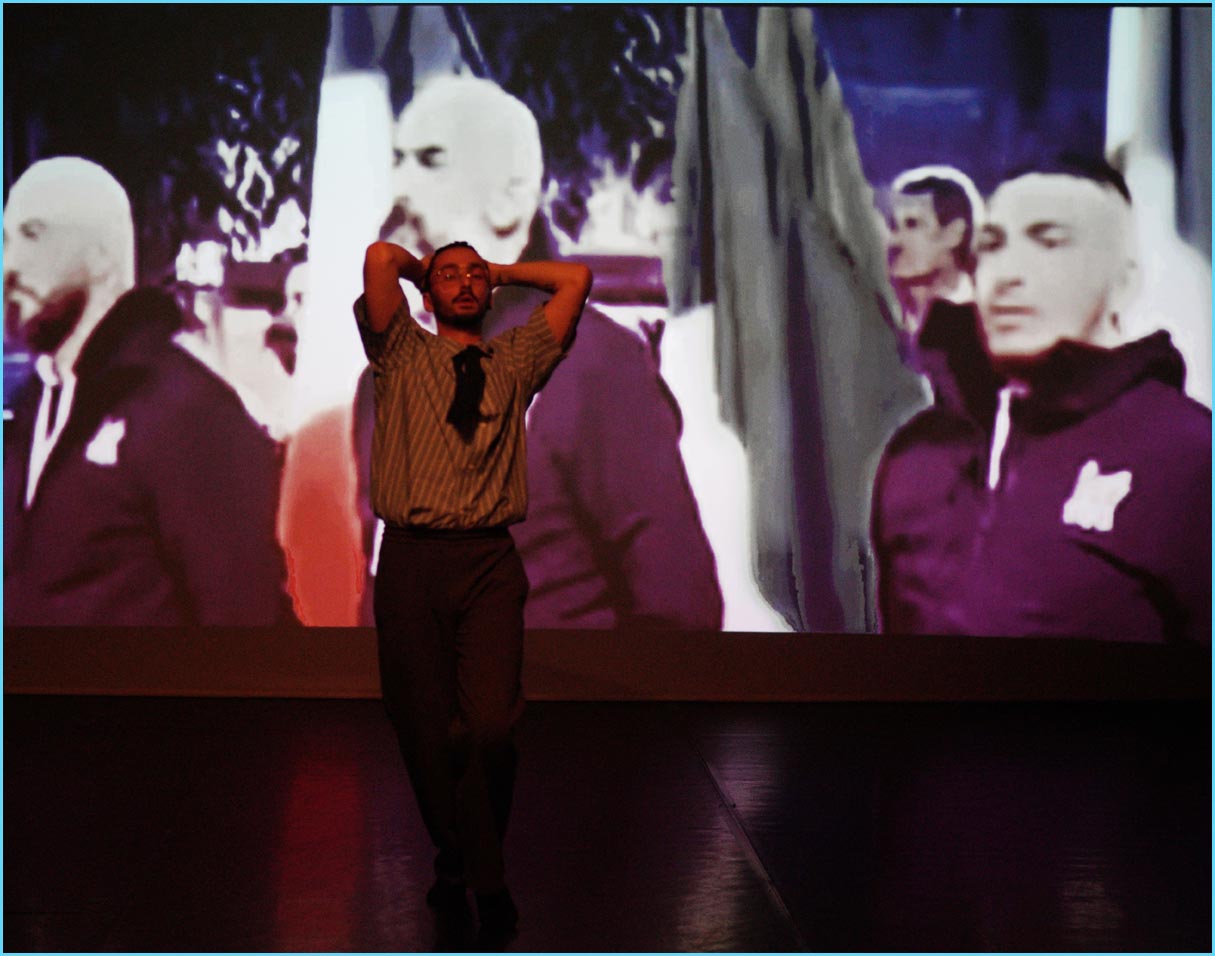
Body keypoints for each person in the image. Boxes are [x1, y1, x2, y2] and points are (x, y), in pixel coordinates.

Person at [358, 75, 722, 630]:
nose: (400, 186)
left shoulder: (590, 364)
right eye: (396, 159)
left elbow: (678, 610)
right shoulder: (381, 382)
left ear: (510, 196)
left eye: (431, 160)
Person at [355, 236, 592, 937]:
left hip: (487, 563)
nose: (463, 283)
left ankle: (479, 871)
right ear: (428, 294)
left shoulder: (514, 360)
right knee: (424, 729)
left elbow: (574, 279)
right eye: (449, 276)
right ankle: (458, 858)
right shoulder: (400, 350)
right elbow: (380, 256)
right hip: (411, 561)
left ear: (489, 291)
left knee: (490, 726)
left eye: (473, 276)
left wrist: (502, 270)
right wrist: (424, 270)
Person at [871, 156, 1211, 642]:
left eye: (1049, 242)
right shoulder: (916, 456)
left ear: (1124, 282)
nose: (1008, 273)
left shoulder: (1188, 456)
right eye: (992, 245)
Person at [3, 156, 296, 626]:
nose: (9, 265)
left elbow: (245, 622)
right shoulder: (33, 406)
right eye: (5, 239)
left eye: (32, 235)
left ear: (100, 254)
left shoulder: (185, 410)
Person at [887, 165, 981, 334]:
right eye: (893, 226)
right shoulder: (883, 313)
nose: (894, 240)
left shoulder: (987, 320)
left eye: (912, 224)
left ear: (953, 234)